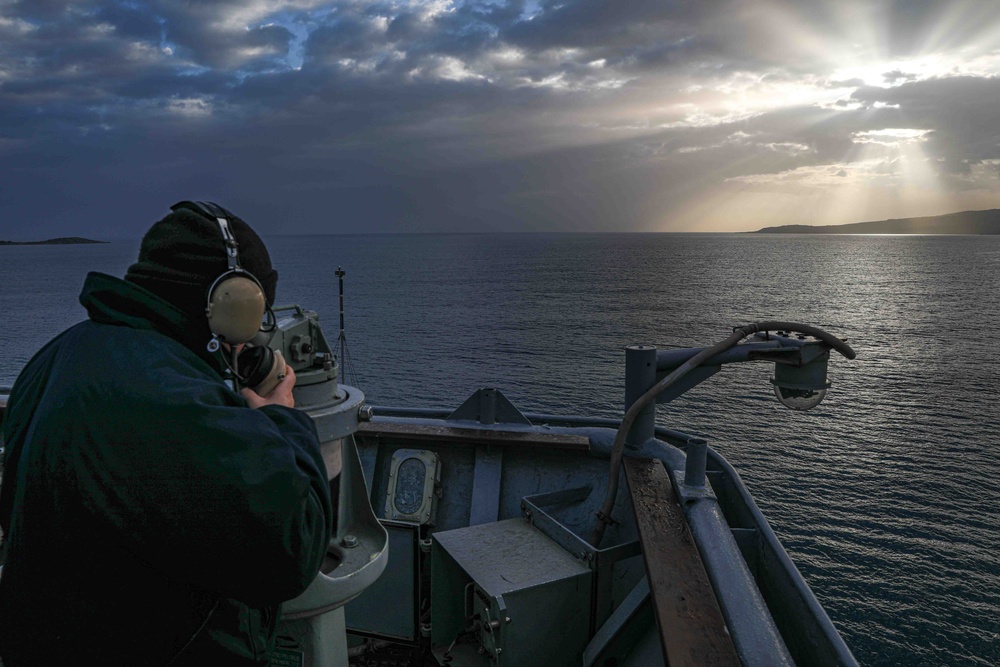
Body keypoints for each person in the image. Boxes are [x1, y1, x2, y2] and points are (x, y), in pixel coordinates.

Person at [0, 201, 333, 665]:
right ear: (230, 300)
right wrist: (283, 418)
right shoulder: (169, 398)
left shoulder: (57, 356)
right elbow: (294, 549)